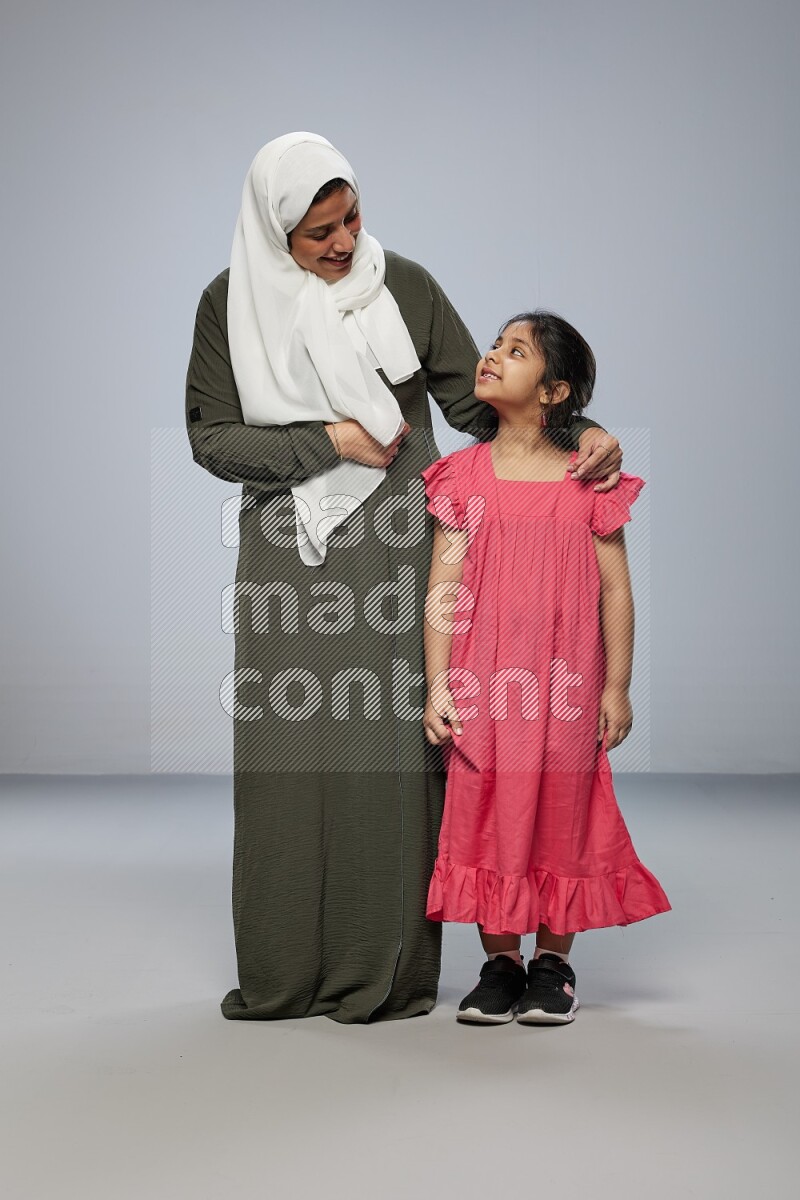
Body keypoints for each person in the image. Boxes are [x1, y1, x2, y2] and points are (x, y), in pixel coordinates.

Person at [185, 132, 624, 1024]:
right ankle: (284, 970)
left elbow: (483, 402)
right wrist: (329, 442)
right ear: (275, 234)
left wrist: (586, 432)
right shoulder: (227, 306)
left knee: (393, 760)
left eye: (352, 218)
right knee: (288, 754)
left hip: (399, 547)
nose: (345, 243)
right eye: (318, 233)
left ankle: (387, 971)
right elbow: (212, 439)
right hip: (292, 551)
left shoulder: (407, 286)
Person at [421, 310, 670, 1025]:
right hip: (481, 684)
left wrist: (616, 686)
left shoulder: (587, 478)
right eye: (496, 345)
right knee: (484, 814)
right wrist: (438, 682)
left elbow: (617, 586)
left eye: (516, 350)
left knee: (563, 814)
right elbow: (443, 587)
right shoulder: (461, 475)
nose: (493, 355)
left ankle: (553, 964)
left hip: (566, 687)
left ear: (555, 391)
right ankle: (500, 963)